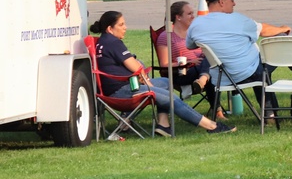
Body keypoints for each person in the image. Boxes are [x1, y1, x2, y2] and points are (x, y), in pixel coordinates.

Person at [90, 11, 235, 138]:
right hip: (124, 91)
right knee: (171, 98)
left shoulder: (103, 41)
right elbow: (136, 68)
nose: (125, 27)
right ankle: (211, 126)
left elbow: (134, 65)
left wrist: (142, 75)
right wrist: (149, 84)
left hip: (119, 88)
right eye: (121, 25)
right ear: (110, 28)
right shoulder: (113, 43)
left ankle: (163, 124)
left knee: (166, 82)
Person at [185, 0, 292, 118]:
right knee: (281, 42)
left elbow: (190, 45)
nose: (234, 3)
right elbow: (263, 30)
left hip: (220, 77)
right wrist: (282, 28)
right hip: (249, 72)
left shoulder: (196, 24)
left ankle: (271, 113)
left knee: (260, 67)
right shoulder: (238, 19)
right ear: (221, 1)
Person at [156, 0, 221, 118]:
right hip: (182, 73)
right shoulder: (166, 36)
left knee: (211, 60)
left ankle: (203, 79)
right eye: (189, 14)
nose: (193, 16)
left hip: (201, 69)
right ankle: (217, 111)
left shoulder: (195, 33)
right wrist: (189, 62)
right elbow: (164, 64)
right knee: (211, 68)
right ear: (178, 17)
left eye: (193, 13)